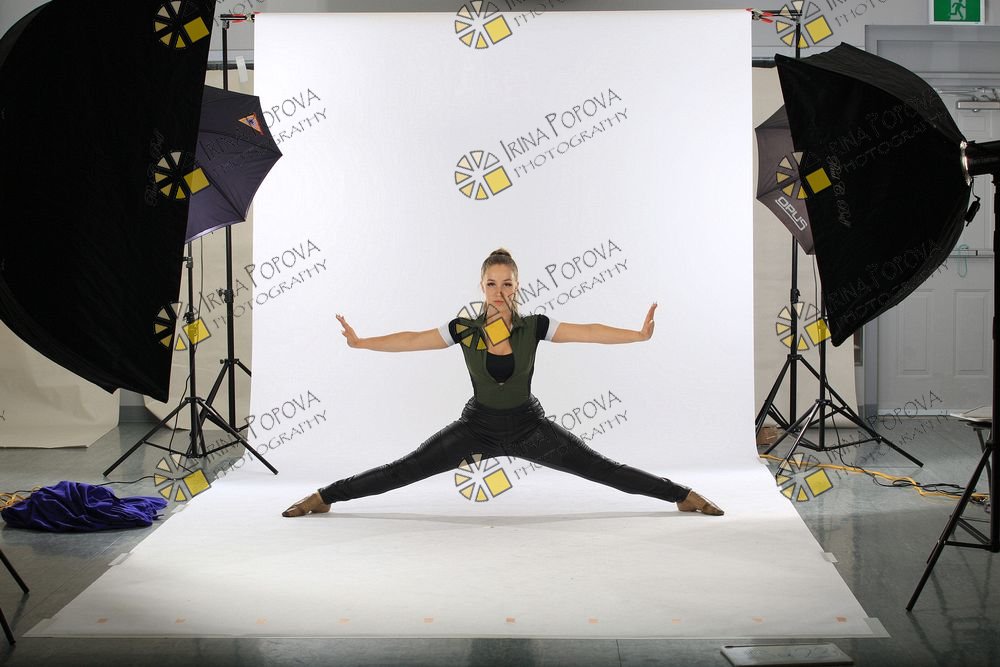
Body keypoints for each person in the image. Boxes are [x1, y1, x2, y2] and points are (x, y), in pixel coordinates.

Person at [282, 248, 723, 517]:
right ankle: (325, 496)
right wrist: (361, 342)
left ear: (517, 285)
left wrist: (637, 335)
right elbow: (413, 339)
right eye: (491, 283)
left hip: (531, 428)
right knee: (404, 470)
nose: (499, 290)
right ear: (481, 285)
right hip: (476, 429)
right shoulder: (463, 329)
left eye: (506, 283)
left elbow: (588, 331)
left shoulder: (535, 326)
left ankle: (682, 495)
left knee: (603, 469)